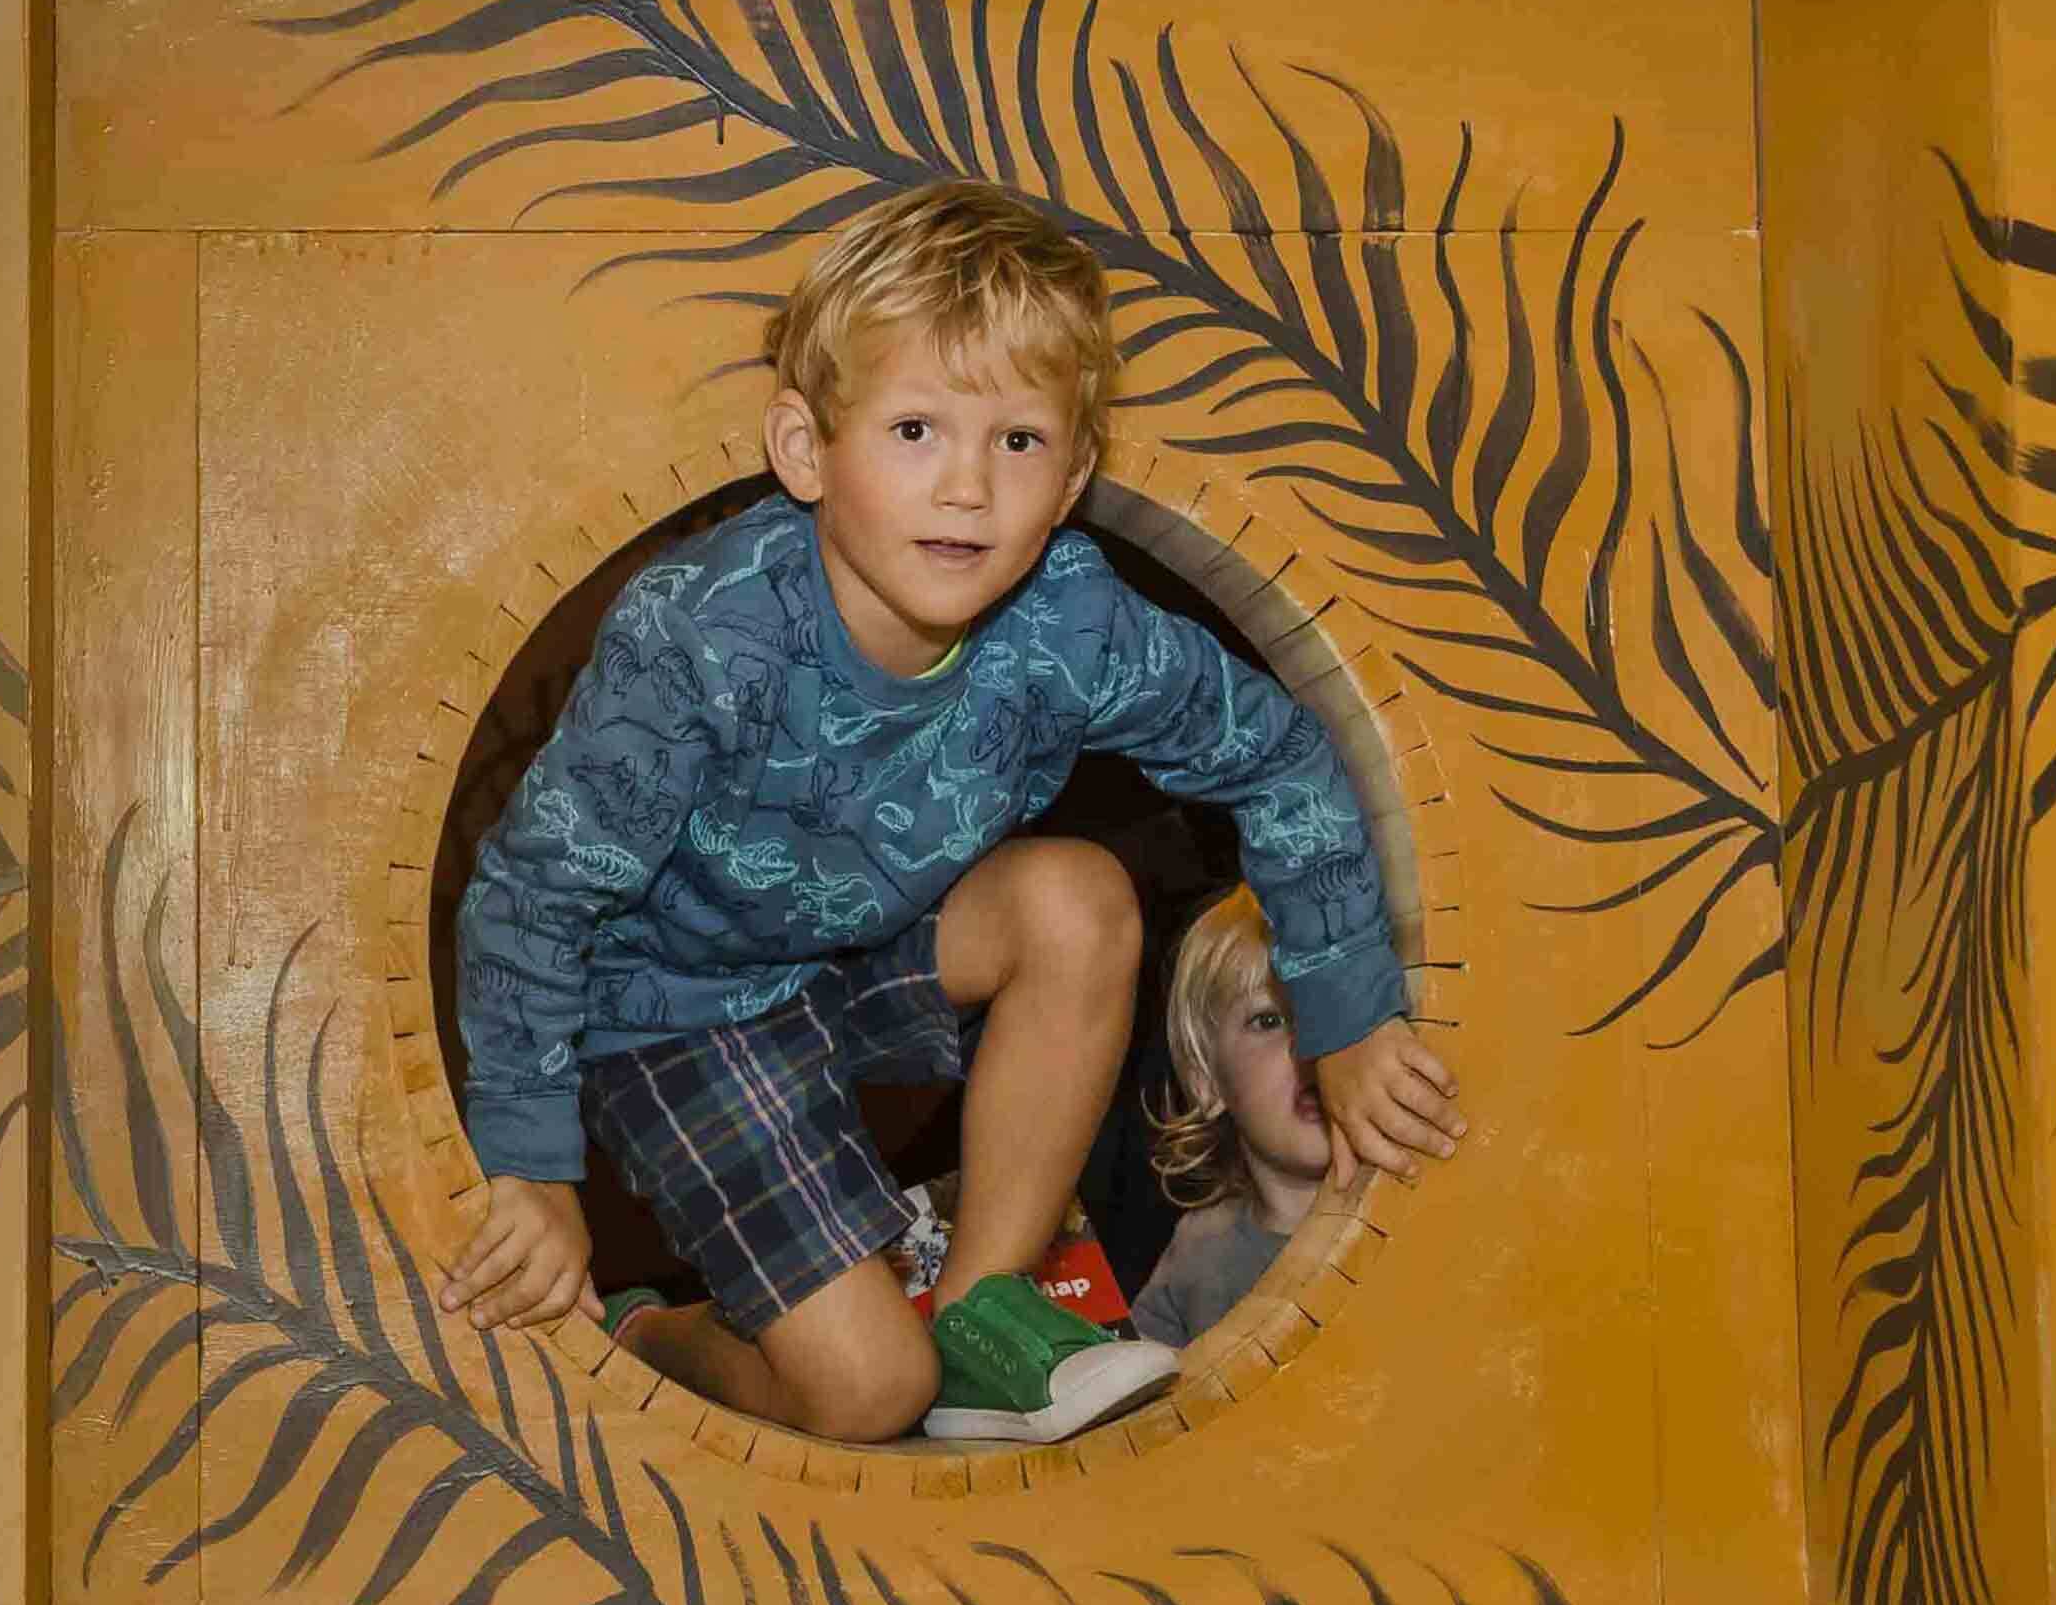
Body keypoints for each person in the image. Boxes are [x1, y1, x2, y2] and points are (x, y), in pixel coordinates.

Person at [437, 181, 1461, 1444]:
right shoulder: (703, 641)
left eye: (1018, 442)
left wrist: (1348, 1015)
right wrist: (533, 1172)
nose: (969, 487)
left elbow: (1284, 756)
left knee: (1077, 898)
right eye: (916, 429)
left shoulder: (1070, 626)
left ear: (1076, 475)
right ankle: (663, 1336)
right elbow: (536, 896)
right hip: (672, 1008)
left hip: (865, 957)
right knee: (869, 1395)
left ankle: (986, 1313)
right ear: (809, 450)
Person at [1128, 889, 1331, 1349]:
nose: (1309, 1043)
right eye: (1268, 1020)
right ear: (1207, 1081)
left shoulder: (1418, 1202)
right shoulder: (1200, 1252)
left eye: (1328, 1008)